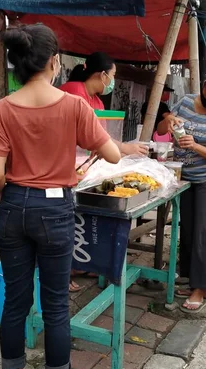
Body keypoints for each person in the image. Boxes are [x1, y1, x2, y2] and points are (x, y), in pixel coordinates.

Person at [0, 24, 121, 369]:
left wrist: (13, 193)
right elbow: (111, 153)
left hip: (13, 205)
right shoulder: (75, 106)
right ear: (55, 62)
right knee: (56, 305)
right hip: (55, 208)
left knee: (16, 301)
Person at [60, 52, 148, 292]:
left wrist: (120, 149)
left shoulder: (97, 101)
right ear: (102, 74)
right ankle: (64, 271)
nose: (112, 81)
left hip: (85, 168)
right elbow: (92, 139)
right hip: (65, 168)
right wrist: (124, 148)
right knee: (68, 219)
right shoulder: (73, 92)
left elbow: (103, 139)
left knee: (87, 216)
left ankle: (81, 262)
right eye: (112, 76)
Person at [157, 63, 206, 313]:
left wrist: (195, 146)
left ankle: (202, 288)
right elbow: (161, 129)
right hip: (185, 179)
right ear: (204, 88)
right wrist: (169, 119)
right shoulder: (186, 103)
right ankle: (197, 282)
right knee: (189, 231)